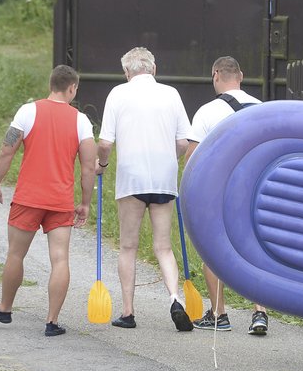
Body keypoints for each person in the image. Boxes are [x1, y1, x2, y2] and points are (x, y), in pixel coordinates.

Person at [0, 65, 96, 337]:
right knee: (60, 259)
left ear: (50, 84)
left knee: (15, 254)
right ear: (72, 88)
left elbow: (7, 149)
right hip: (60, 201)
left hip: (28, 198)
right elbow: (89, 166)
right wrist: (85, 202)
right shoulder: (81, 120)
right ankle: (52, 321)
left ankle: (5, 308)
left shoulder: (27, 111)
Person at [97, 47, 193, 331]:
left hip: (132, 179)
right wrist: (168, 160)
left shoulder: (118, 93)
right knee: (163, 246)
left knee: (128, 245)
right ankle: (176, 299)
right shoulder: (171, 94)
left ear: (127, 72)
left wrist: (102, 164)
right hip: (164, 177)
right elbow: (184, 142)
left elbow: (105, 143)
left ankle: (128, 313)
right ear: (154, 68)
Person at [184, 56, 270, 335]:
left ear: (215, 74)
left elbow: (192, 158)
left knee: (213, 249)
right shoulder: (261, 109)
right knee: (255, 249)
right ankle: (260, 312)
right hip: (255, 190)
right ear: (241, 75)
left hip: (220, 191)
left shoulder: (207, 112)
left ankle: (220, 314)